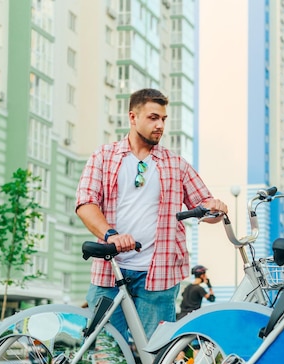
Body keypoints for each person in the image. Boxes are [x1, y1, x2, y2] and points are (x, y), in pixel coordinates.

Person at [75, 88, 228, 343]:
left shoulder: (175, 164)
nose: (160, 125)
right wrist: (111, 235)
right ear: (133, 117)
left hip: (158, 275)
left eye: (164, 120)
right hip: (110, 270)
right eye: (153, 118)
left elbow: (205, 209)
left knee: (155, 352)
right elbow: (85, 203)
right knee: (104, 351)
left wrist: (216, 208)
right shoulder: (104, 156)